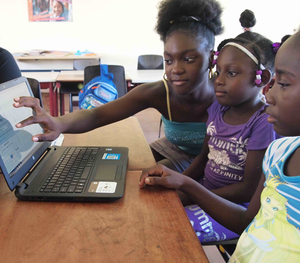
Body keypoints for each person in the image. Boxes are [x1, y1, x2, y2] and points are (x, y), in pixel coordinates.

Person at [139, 31, 300, 261]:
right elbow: (204, 157)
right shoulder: (275, 151)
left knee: (168, 226)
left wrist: (191, 191)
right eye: (218, 71)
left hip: (229, 203)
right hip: (211, 195)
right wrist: (180, 183)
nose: (219, 80)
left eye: (282, 84)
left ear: (260, 78)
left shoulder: (262, 123)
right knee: (159, 206)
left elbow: (246, 193)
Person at [13, 0, 223, 173]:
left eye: (188, 59)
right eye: (169, 60)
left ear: (211, 58)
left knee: (150, 182)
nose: (176, 69)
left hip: (217, 164)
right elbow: (97, 115)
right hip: (174, 149)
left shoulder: (227, 97)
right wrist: (57, 123)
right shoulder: (160, 93)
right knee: (117, 168)